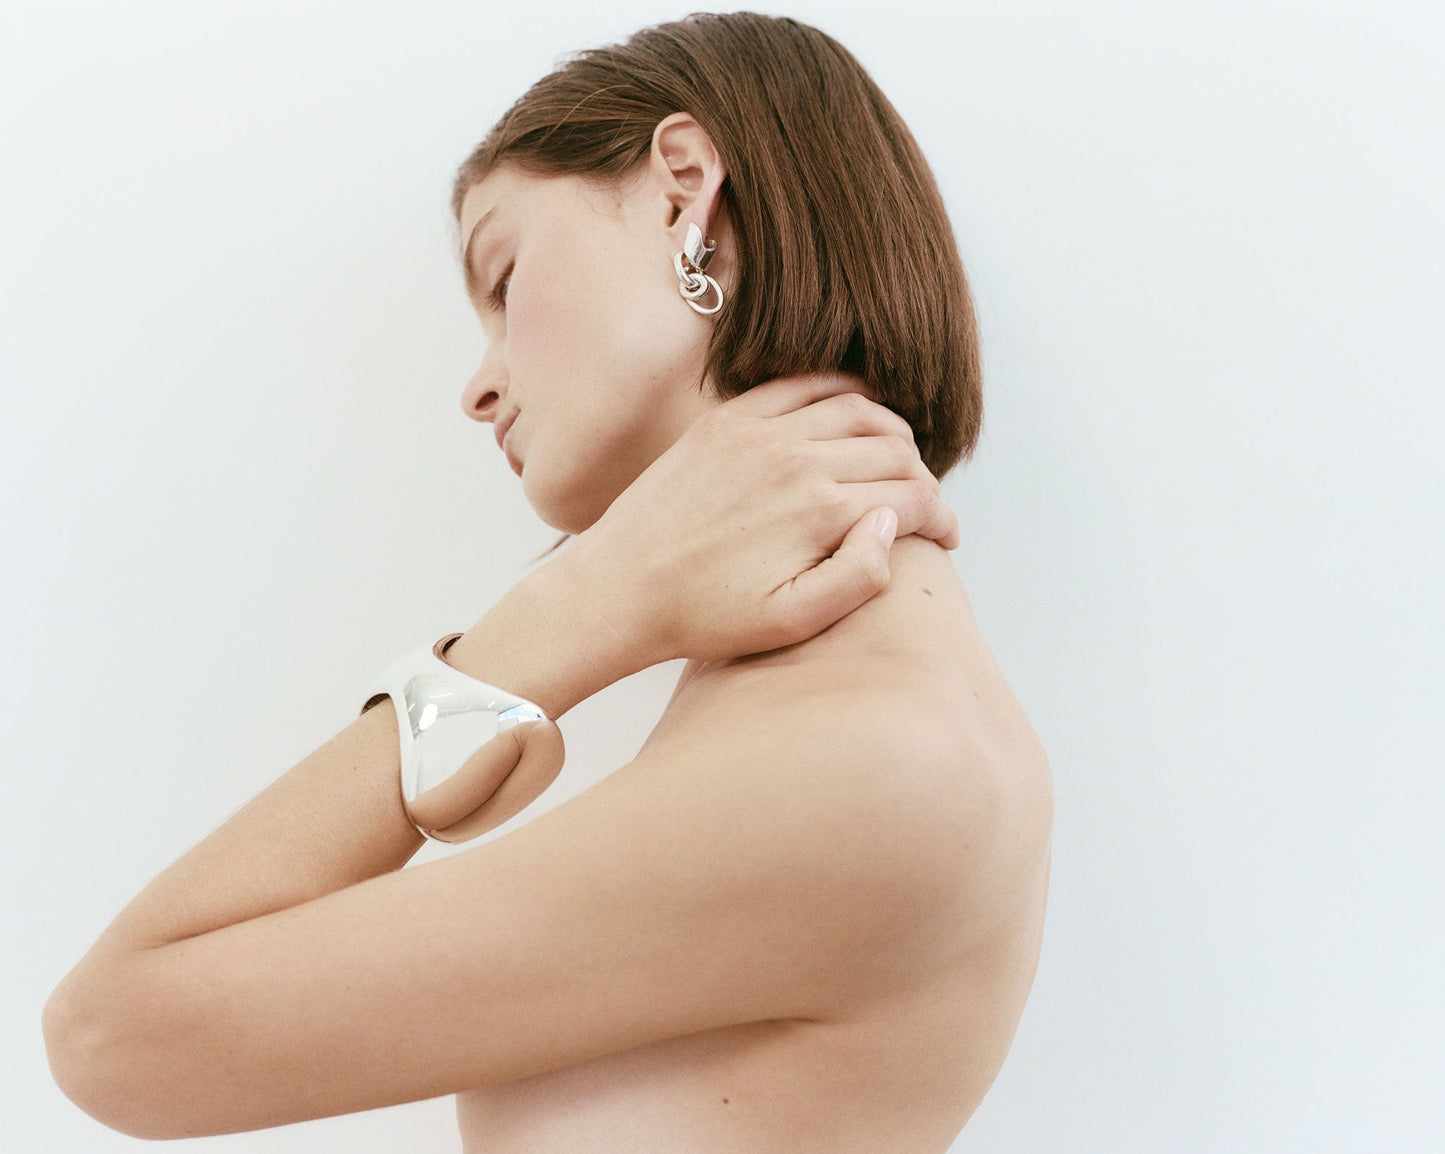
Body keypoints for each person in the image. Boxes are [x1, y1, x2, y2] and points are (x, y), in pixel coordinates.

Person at [43, 12, 1053, 1151]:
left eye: (503, 273)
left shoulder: (873, 754)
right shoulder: (811, 697)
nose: (478, 390)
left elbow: (114, 1037)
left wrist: (572, 610)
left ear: (683, 190)